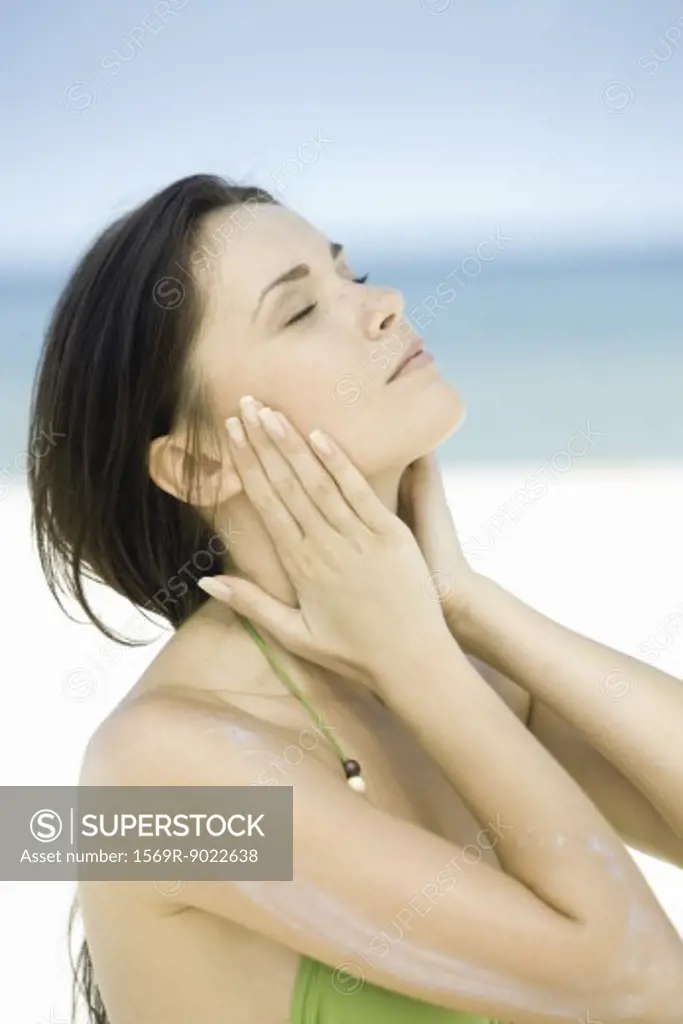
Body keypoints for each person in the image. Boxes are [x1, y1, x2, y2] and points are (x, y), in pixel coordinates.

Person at [28, 174, 683, 1024]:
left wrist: (466, 605)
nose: (385, 304)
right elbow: (639, 987)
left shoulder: (458, 675)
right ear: (195, 466)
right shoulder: (152, 783)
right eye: (299, 311)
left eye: (351, 273)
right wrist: (420, 659)